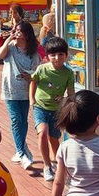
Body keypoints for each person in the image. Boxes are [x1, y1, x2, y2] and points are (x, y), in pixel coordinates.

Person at [30, 36, 75, 181]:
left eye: (61, 54)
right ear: (47, 56)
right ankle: (47, 165)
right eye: (53, 55)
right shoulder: (42, 69)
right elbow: (33, 82)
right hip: (40, 107)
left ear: (66, 55)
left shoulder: (68, 73)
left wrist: (67, 102)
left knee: (54, 139)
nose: (57, 58)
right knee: (42, 132)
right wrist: (32, 99)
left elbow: (71, 93)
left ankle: (58, 164)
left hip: (57, 110)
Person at [0, 20, 40, 170]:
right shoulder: (10, 47)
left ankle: (22, 147)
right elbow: (0, 55)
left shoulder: (33, 52)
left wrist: (29, 76)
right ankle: (21, 152)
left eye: (19, 31)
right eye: (15, 30)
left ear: (27, 34)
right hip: (10, 88)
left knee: (23, 121)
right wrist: (8, 38)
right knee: (16, 119)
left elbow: (36, 72)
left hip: (26, 89)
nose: (16, 32)